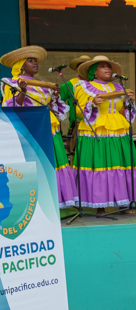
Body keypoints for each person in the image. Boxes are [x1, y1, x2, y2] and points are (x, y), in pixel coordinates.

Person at [1, 46, 76, 207]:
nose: (35, 63)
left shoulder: (43, 84)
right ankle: (35, 204)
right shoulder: (11, 83)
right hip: (30, 128)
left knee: (53, 162)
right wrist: (22, 90)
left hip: (49, 127)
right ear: (21, 64)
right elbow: (12, 107)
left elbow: (53, 107)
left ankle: (54, 203)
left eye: (36, 61)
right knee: (35, 163)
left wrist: (55, 95)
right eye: (30, 60)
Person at [72, 56, 136, 211]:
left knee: (120, 166)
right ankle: (99, 205)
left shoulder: (118, 87)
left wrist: (130, 102)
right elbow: (78, 112)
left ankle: (124, 202)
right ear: (94, 71)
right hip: (97, 131)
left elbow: (123, 111)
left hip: (118, 131)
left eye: (109, 66)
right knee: (100, 165)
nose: (107, 69)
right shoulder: (84, 87)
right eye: (102, 66)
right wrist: (92, 103)